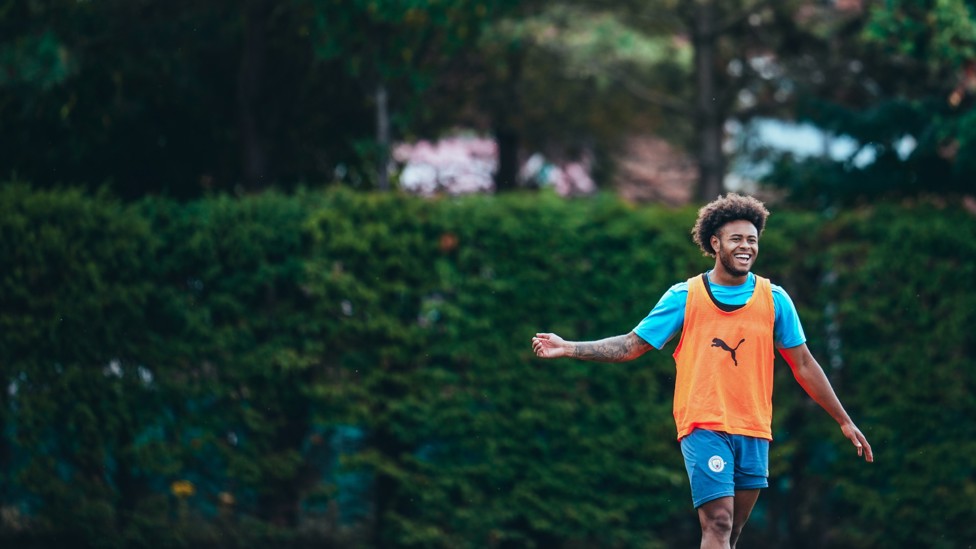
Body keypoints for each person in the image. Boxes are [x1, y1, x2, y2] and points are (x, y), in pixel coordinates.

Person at [531, 193, 873, 549]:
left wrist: (843, 419)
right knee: (719, 522)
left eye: (752, 240)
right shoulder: (685, 296)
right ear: (715, 242)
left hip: (754, 427)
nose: (746, 246)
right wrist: (569, 347)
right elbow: (632, 345)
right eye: (737, 238)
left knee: (733, 530)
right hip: (704, 423)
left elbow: (803, 364)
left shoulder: (775, 299)